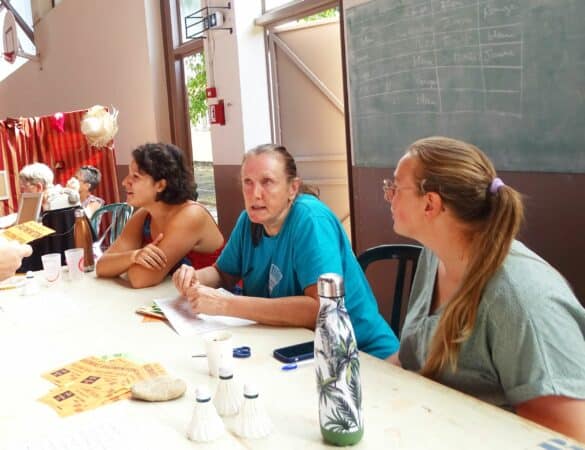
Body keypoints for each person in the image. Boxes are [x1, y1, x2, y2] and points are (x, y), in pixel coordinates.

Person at [385, 136, 585, 441]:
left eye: (396, 187)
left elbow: (569, 435)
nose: (389, 196)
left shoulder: (520, 299)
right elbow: (414, 359)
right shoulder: (434, 256)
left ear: (431, 203)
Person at [173, 144, 398, 360]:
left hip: (360, 354)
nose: (255, 194)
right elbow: (224, 274)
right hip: (296, 350)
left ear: (292, 188)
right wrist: (193, 278)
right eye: (247, 183)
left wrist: (224, 305)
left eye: (267, 182)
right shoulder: (249, 221)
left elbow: (321, 308)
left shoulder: (310, 219)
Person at [95, 143, 224, 289]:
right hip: (173, 301)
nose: (125, 182)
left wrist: (123, 263)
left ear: (160, 185)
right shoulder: (144, 215)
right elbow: (102, 266)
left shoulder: (191, 215)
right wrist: (134, 256)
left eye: (135, 177)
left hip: (217, 303)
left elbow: (141, 278)